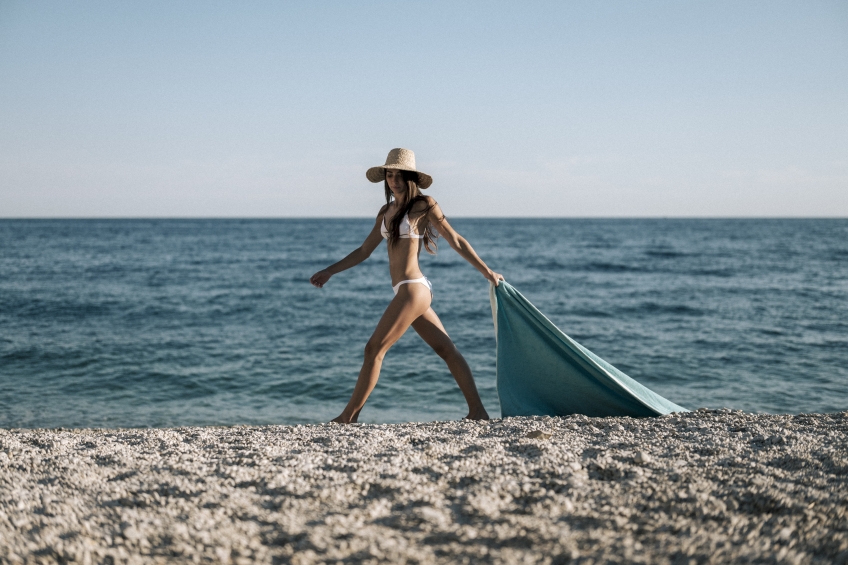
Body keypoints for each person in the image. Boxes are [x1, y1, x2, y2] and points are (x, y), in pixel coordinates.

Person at [310, 148, 504, 423]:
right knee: (446, 349)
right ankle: (478, 412)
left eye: (400, 175)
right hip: (407, 290)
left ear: (410, 178)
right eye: (390, 175)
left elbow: (455, 240)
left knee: (373, 349)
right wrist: (330, 270)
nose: (394, 180)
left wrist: (487, 272)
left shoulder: (424, 205)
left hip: (413, 288)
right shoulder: (385, 212)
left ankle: (348, 417)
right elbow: (364, 251)